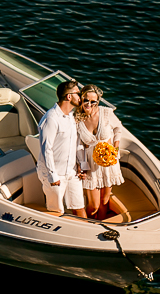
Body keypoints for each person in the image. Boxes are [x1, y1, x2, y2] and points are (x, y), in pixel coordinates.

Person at [36, 80, 87, 217]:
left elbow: (75, 144)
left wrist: (81, 165)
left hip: (71, 172)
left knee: (79, 207)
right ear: (69, 97)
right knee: (56, 212)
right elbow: (46, 149)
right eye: (78, 94)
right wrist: (53, 176)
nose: (81, 97)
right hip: (55, 173)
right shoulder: (51, 118)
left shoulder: (71, 117)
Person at [75, 84, 125, 220]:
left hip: (108, 161)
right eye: (86, 100)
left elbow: (118, 128)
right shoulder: (77, 119)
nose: (89, 104)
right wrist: (82, 165)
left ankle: (100, 226)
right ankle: (87, 225)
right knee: (94, 205)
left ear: (98, 101)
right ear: (81, 99)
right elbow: (79, 146)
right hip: (91, 165)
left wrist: (115, 148)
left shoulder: (106, 113)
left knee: (104, 201)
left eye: (93, 101)